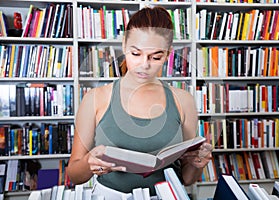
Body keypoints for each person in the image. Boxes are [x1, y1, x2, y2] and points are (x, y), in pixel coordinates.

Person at [67, 6, 213, 197]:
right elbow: (74, 175)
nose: (145, 65)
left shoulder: (183, 101)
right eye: (136, 54)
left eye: (156, 57)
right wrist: (89, 163)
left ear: (168, 54)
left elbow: (187, 178)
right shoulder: (95, 98)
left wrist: (197, 165)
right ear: (124, 46)